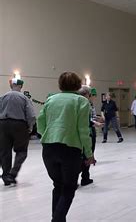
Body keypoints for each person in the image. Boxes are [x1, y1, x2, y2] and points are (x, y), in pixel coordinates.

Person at [38, 72, 96, 222]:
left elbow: (40, 122)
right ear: (77, 84)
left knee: (58, 185)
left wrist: (48, 134)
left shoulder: (51, 100)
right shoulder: (82, 101)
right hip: (70, 149)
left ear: (60, 84)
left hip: (49, 148)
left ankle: (57, 218)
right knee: (69, 188)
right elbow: (84, 131)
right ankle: (57, 220)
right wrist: (89, 154)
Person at [0, 77, 36, 186]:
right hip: (19, 125)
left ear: (11, 86)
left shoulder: (3, 97)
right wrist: (30, 127)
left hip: (3, 125)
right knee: (21, 151)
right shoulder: (24, 98)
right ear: (21, 86)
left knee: (5, 152)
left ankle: (6, 176)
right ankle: (12, 174)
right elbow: (31, 115)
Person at [77, 86, 103, 187]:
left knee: (81, 156)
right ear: (87, 94)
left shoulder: (85, 103)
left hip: (82, 131)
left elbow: (90, 117)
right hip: (87, 131)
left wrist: (96, 118)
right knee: (87, 155)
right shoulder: (84, 103)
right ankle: (85, 178)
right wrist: (95, 124)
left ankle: (84, 177)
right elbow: (86, 120)